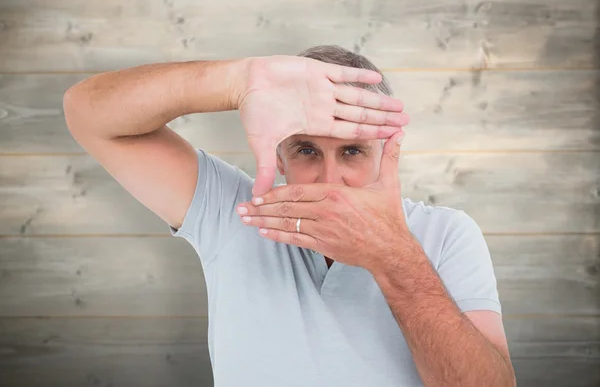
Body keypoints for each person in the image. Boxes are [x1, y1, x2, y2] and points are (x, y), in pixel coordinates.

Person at [63, 45, 516, 387]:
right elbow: (88, 114)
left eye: (353, 151)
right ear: (279, 157)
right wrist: (239, 81)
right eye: (306, 150)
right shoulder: (233, 212)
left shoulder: (447, 233)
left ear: (387, 151)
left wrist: (395, 260)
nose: (329, 180)